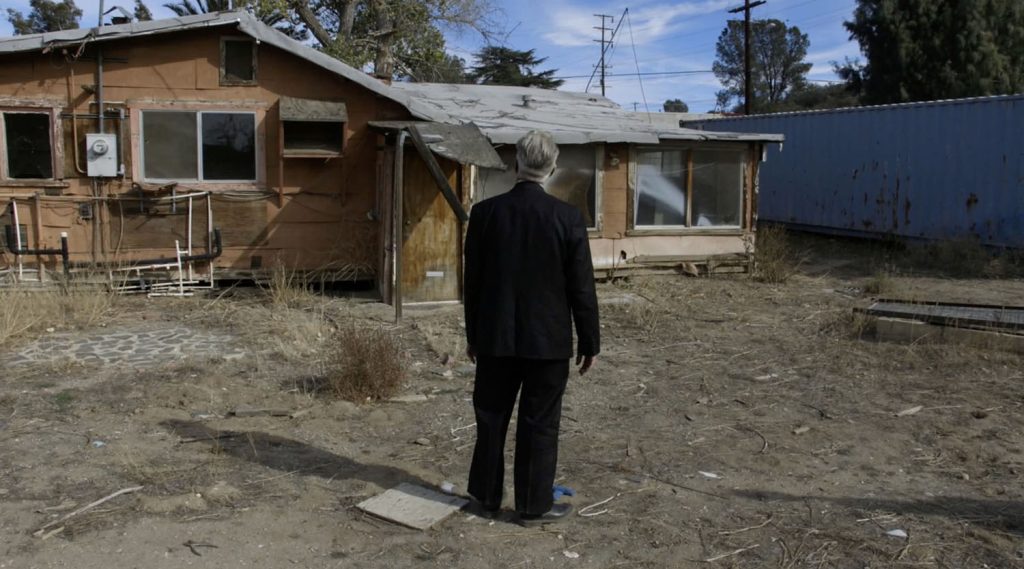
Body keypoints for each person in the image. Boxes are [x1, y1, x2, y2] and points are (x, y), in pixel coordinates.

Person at [463, 130, 600, 525]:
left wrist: (474, 335)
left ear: (516, 164)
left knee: (490, 418)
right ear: (552, 168)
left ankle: (485, 498)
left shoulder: (485, 214)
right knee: (540, 424)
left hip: (495, 338)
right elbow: (581, 286)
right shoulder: (567, 217)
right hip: (548, 343)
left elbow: (472, 283)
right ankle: (532, 506)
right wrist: (589, 341)